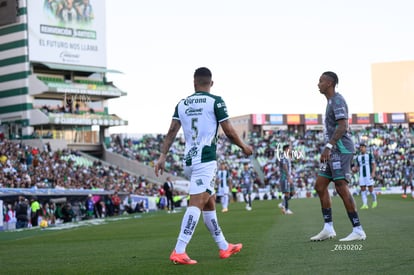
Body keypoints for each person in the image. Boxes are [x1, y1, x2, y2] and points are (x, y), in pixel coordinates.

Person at [154, 67, 253, 265]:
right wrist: (244, 146)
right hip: (205, 160)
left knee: (209, 202)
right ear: (211, 83)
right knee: (197, 203)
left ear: (194, 82)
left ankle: (224, 246)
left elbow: (172, 131)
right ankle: (179, 250)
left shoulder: (182, 104)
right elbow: (230, 131)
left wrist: (162, 155)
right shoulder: (215, 101)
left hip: (189, 161)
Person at [310, 71, 366, 242]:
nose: (318, 84)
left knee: (341, 187)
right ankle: (328, 228)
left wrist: (328, 146)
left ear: (329, 83)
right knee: (320, 186)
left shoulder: (337, 100)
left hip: (340, 149)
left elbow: (343, 126)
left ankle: (358, 229)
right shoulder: (330, 102)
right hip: (333, 150)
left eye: (320, 81)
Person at [353, 143, 378, 208]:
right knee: (363, 189)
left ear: (365, 148)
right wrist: (354, 169)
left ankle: (374, 201)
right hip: (361, 175)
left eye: (362, 147)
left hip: (368, 174)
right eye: (360, 147)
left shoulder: (369, 155)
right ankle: (365, 204)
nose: (361, 148)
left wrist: (373, 173)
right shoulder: (358, 157)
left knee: (370, 189)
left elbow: (374, 164)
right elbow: (357, 167)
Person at [278, 144, 294, 215]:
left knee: (293, 192)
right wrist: (288, 176)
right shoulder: (283, 156)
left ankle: (283, 203)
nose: (291, 149)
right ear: (286, 149)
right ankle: (286, 209)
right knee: (287, 193)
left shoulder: (288, 156)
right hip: (285, 177)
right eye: (290, 148)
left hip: (288, 176)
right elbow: (284, 166)